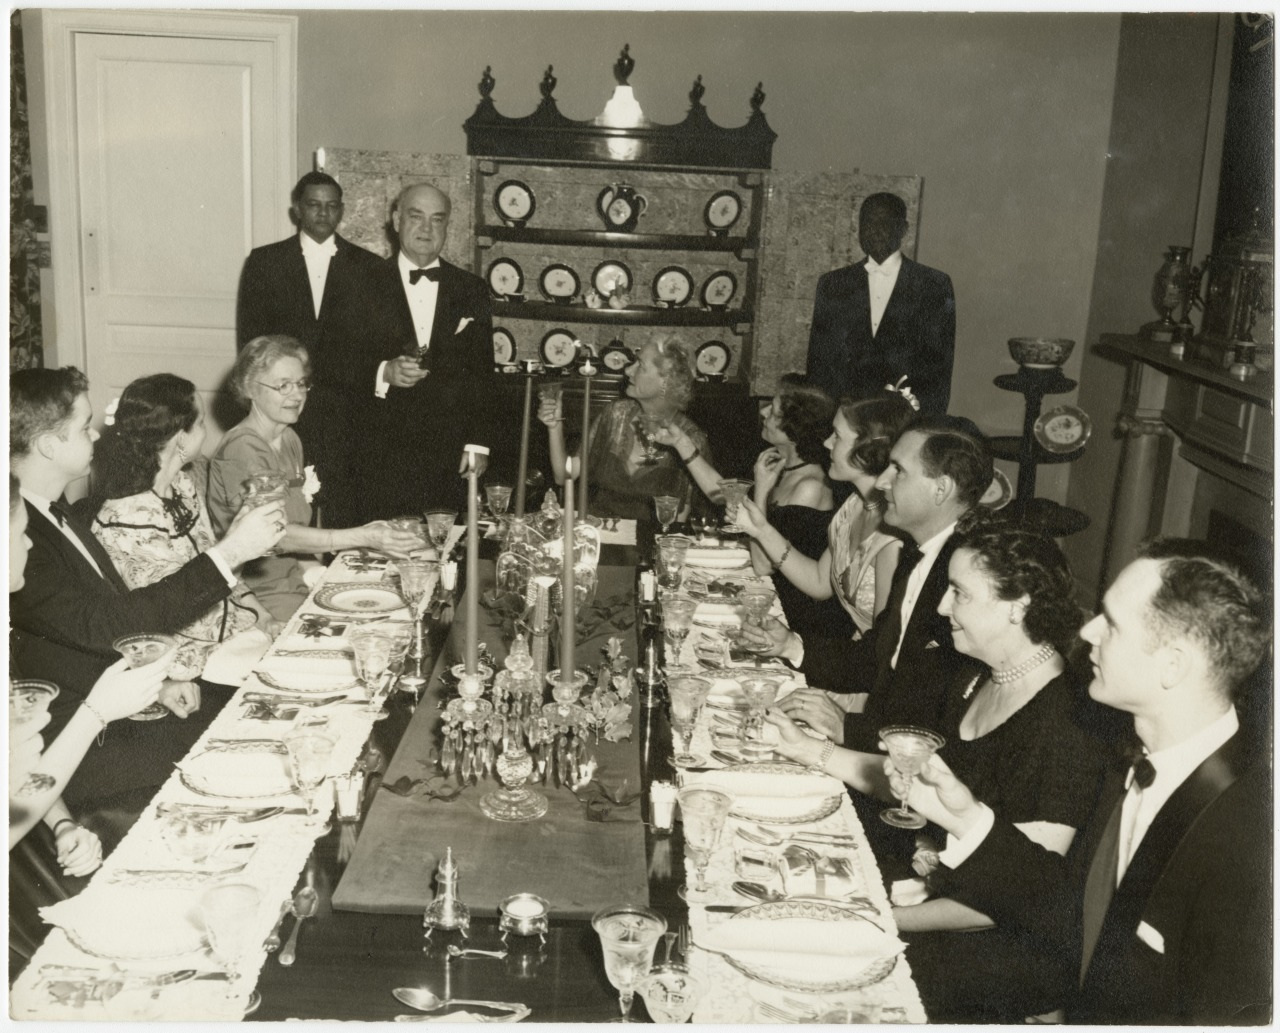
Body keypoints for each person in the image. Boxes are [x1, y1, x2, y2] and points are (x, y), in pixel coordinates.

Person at [894, 539, 1271, 1024]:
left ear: (1172, 666)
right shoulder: (1125, 753)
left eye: (1111, 623)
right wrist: (965, 818)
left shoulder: (1249, 837)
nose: (1088, 630)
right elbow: (1072, 905)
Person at [768, 523, 1110, 1022]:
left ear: (1017, 605)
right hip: (930, 893)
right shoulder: (975, 677)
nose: (943, 607)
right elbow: (909, 781)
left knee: (810, 975)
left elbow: (1015, 898)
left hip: (997, 949)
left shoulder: (1066, 726)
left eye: (959, 593)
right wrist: (808, 751)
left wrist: (885, 919)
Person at [8, 366, 283, 814]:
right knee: (251, 754)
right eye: (83, 427)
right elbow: (106, 626)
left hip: (119, 712)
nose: (97, 436)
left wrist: (157, 685)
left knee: (263, 723)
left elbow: (88, 630)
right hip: (77, 750)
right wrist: (230, 553)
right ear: (48, 445)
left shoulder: (56, 515)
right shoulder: (21, 539)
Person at [9, 473, 175, 972]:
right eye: (18, 534)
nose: (26, 544)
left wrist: (61, 825)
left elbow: (18, 773)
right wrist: (97, 711)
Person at [758, 415, 992, 752]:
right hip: (881, 738)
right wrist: (792, 646)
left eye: (899, 470)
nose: (882, 481)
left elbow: (944, 715)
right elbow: (879, 656)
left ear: (941, 489)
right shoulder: (916, 553)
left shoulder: (969, 578)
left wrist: (849, 729)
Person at [207, 335, 424, 622]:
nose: (297, 395)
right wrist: (365, 536)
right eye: (283, 385)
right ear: (250, 389)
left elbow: (296, 534)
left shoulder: (289, 438)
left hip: (294, 581)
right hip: (257, 596)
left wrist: (321, 575)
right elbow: (277, 536)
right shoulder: (242, 448)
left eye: (301, 384)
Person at [84, 374, 280, 680]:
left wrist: (263, 617)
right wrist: (236, 547)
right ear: (181, 438)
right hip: (188, 664)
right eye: (200, 423)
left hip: (235, 636)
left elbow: (217, 571)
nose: (205, 431)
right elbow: (170, 614)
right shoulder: (126, 519)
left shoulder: (182, 487)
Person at [236, 172, 386, 526]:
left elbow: (375, 345)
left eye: (332, 206)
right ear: (297, 210)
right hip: (284, 405)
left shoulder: (369, 268)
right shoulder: (265, 262)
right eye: (314, 205)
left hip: (346, 411)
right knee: (283, 506)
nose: (323, 213)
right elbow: (251, 343)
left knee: (344, 510)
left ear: (342, 211)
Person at [661, 374, 848, 637]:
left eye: (773, 408)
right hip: (765, 592)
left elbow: (763, 564)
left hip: (790, 615)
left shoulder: (810, 486)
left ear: (794, 426)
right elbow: (724, 494)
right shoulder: (783, 465)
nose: (763, 411)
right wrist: (682, 444)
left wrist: (761, 490)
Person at [361, 182, 496, 516]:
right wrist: (384, 372)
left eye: (437, 220)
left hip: (449, 457)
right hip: (377, 453)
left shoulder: (472, 290)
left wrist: (478, 442)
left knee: (447, 556)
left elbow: (483, 373)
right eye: (415, 216)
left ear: (447, 226)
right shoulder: (359, 284)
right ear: (396, 220)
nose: (426, 228)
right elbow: (335, 361)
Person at [737, 392, 916, 643]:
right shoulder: (854, 506)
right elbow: (820, 582)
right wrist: (761, 530)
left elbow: (885, 646)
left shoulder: (893, 534)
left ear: (867, 449)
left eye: (838, 436)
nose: (827, 443)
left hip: (869, 666)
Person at [806, 192, 955, 415]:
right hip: (844, 416)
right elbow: (818, 361)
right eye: (867, 222)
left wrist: (925, 421)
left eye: (885, 222)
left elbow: (939, 368)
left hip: (903, 416)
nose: (874, 229)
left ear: (903, 229)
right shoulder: (833, 284)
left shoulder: (933, 285)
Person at [540, 336, 712, 522]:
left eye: (640, 365)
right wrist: (554, 426)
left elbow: (678, 523)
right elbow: (563, 475)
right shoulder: (615, 415)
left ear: (666, 381)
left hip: (649, 544)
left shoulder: (690, 439)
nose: (628, 370)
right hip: (598, 534)